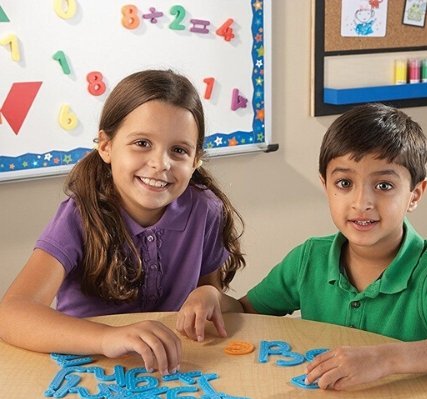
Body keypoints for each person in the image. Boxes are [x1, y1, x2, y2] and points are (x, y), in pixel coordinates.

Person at [177, 103, 427, 389]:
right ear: (326, 185)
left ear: (414, 194)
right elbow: (248, 310)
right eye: (344, 184)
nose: (362, 202)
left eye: (384, 185)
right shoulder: (310, 259)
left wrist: (385, 359)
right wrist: (211, 296)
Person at [0, 69, 245, 376]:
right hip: (86, 369)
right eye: (142, 143)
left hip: (172, 369)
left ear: (196, 160)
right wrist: (107, 337)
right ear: (106, 146)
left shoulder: (205, 209)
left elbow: (210, 288)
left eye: (179, 150)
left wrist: (209, 295)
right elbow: (12, 313)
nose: (160, 164)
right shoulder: (79, 214)